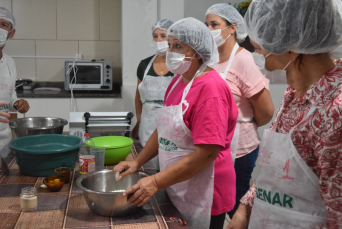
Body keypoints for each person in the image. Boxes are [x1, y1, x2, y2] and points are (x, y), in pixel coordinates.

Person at [114, 17, 238, 229]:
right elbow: (164, 129)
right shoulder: (178, 81)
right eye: (170, 45)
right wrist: (138, 162)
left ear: (198, 52)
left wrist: (155, 182)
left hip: (206, 191)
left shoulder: (211, 90)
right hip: (179, 182)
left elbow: (206, 154)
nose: (170, 51)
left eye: (178, 46)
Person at [227, 0, 342, 228]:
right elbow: (275, 171)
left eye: (259, 50)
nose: (257, 59)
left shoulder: (334, 111)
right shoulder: (295, 93)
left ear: (290, 45)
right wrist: (245, 209)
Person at [205, 3, 274, 219]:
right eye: (206, 25)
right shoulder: (209, 60)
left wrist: (242, 125)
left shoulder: (244, 59)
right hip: (214, 147)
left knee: (237, 207)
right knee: (215, 202)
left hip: (240, 149)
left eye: (214, 24)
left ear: (232, 27)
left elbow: (266, 111)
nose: (209, 30)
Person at [131, 19, 174, 170]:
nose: (158, 40)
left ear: (172, 37)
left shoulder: (179, 64)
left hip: (171, 123)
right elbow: (138, 95)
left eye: (163, 36)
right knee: (149, 166)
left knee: (169, 167)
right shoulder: (144, 65)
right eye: (155, 36)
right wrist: (139, 119)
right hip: (148, 123)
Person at [0, 7, 29, 158]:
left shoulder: (9, 63)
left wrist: (17, 102)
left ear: (11, 33)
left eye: (4, 25)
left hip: (4, 142)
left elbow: (8, 96)